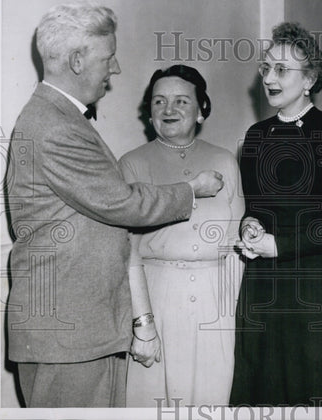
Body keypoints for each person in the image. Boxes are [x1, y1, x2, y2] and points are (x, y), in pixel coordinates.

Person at [6, 2, 224, 408]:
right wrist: (192, 189)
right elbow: (121, 203)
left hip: (82, 329)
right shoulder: (53, 126)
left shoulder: (62, 118)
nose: (116, 69)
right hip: (69, 334)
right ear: (76, 61)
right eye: (108, 57)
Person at [230, 22, 322, 406]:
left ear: (310, 79)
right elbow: (256, 206)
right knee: (261, 380)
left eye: (282, 70)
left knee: (309, 383)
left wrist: (279, 246)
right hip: (263, 280)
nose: (269, 78)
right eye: (266, 68)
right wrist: (250, 225)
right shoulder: (256, 134)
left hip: (314, 282)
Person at [120, 65, 245, 406]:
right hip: (157, 296)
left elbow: (235, 247)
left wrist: (230, 311)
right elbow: (127, 252)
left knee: (211, 399)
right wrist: (143, 323)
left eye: (180, 101)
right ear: (149, 113)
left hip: (214, 300)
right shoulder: (132, 164)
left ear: (202, 110)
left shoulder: (225, 160)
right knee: (153, 402)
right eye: (159, 102)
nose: (168, 110)